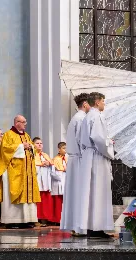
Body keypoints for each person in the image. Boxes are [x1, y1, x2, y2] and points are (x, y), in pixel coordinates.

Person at [0, 115, 41, 229]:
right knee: (14, 194)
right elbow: (5, 150)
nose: (25, 124)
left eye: (25, 122)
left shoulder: (27, 135)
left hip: (27, 171)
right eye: (23, 122)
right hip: (14, 171)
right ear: (17, 122)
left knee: (28, 195)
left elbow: (32, 149)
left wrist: (31, 147)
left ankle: (27, 220)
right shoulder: (8, 135)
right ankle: (12, 221)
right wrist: (21, 146)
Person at [78, 92, 114, 238]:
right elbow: (98, 139)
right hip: (97, 157)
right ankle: (97, 227)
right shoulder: (97, 116)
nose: (104, 104)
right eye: (103, 101)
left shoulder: (88, 116)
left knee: (91, 192)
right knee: (99, 191)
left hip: (88, 156)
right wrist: (110, 144)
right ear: (97, 102)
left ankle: (91, 226)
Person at [60, 93, 90, 236]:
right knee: (81, 193)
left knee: (75, 194)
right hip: (80, 159)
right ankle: (80, 227)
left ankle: (76, 226)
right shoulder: (82, 119)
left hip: (74, 159)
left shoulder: (75, 118)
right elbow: (84, 142)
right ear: (85, 104)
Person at [33, 137, 53, 226]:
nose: (40, 145)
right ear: (33, 145)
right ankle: (36, 218)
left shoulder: (45, 155)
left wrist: (49, 164)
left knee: (45, 199)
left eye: (41, 143)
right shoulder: (31, 155)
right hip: (37, 180)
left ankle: (45, 218)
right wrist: (41, 164)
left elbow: (54, 167)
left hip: (45, 180)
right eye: (37, 143)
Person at [50, 142, 67, 224]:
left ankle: (65, 219)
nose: (65, 150)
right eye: (64, 148)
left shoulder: (67, 158)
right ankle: (57, 219)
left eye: (66, 148)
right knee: (58, 202)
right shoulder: (55, 159)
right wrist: (60, 176)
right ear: (59, 149)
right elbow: (52, 172)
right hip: (59, 182)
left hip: (66, 181)